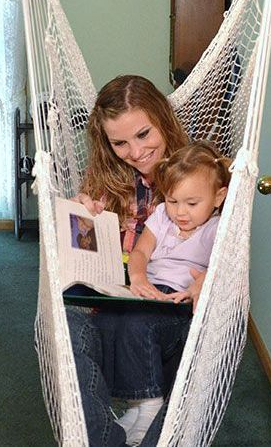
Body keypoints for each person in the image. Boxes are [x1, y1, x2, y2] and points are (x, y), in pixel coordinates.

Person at [67, 74, 189, 447]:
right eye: (119, 142)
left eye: (143, 134)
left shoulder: (197, 175)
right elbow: (81, 260)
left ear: (163, 118)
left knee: (149, 323)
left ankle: (148, 415)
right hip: (113, 311)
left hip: (169, 316)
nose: (135, 152)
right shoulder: (106, 181)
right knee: (62, 325)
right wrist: (78, 218)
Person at [105, 141, 231, 446]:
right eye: (174, 201)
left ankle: (149, 403)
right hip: (148, 291)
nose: (180, 212)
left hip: (178, 303)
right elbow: (140, 252)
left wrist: (198, 284)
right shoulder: (162, 215)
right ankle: (137, 408)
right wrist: (136, 276)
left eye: (191, 203)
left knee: (137, 326)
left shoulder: (217, 228)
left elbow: (223, 268)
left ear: (218, 197)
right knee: (110, 322)